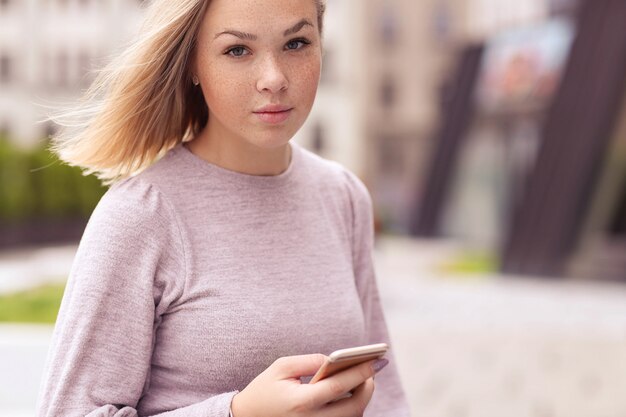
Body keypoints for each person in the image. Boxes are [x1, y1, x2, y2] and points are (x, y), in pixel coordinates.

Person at [36, 0, 411, 416]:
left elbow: (385, 395)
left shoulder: (343, 197)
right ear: (194, 63)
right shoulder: (140, 216)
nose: (274, 78)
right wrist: (236, 413)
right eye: (237, 50)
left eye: (297, 43)